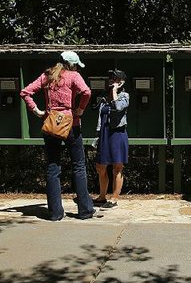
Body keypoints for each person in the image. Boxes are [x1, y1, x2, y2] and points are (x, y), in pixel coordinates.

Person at [20, 51, 99, 220]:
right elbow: (86, 92)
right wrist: (80, 109)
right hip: (71, 124)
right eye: (76, 64)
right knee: (78, 166)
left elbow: (25, 92)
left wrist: (37, 111)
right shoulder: (74, 76)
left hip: (51, 124)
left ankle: (55, 213)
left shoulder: (47, 76)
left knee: (52, 167)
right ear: (71, 64)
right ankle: (85, 210)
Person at [93, 69, 130, 208]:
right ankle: (102, 196)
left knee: (117, 167)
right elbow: (99, 118)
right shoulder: (104, 97)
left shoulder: (124, 96)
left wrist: (115, 91)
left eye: (114, 78)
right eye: (110, 78)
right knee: (101, 167)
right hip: (104, 134)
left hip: (117, 134)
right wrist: (97, 136)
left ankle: (114, 198)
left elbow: (119, 107)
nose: (111, 80)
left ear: (121, 82)